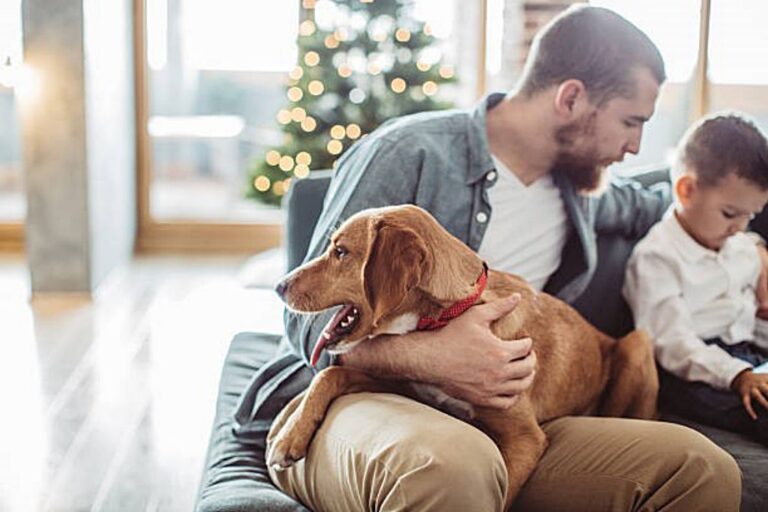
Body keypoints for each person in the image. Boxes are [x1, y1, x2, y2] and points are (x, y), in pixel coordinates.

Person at [221, 6, 742, 512]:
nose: (635, 147)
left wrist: (753, 252)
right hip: (369, 402)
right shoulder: (407, 153)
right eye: (631, 122)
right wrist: (435, 358)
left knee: (702, 468)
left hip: (507, 417)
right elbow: (307, 328)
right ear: (572, 98)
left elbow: (673, 205)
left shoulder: (583, 191)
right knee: (454, 467)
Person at [624, 114, 768, 444]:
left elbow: (748, 319)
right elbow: (671, 343)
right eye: (731, 214)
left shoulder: (740, 248)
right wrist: (737, 374)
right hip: (691, 373)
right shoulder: (656, 257)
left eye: (752, 215)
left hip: (745, 356)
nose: (741, 227)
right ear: (687, 190)